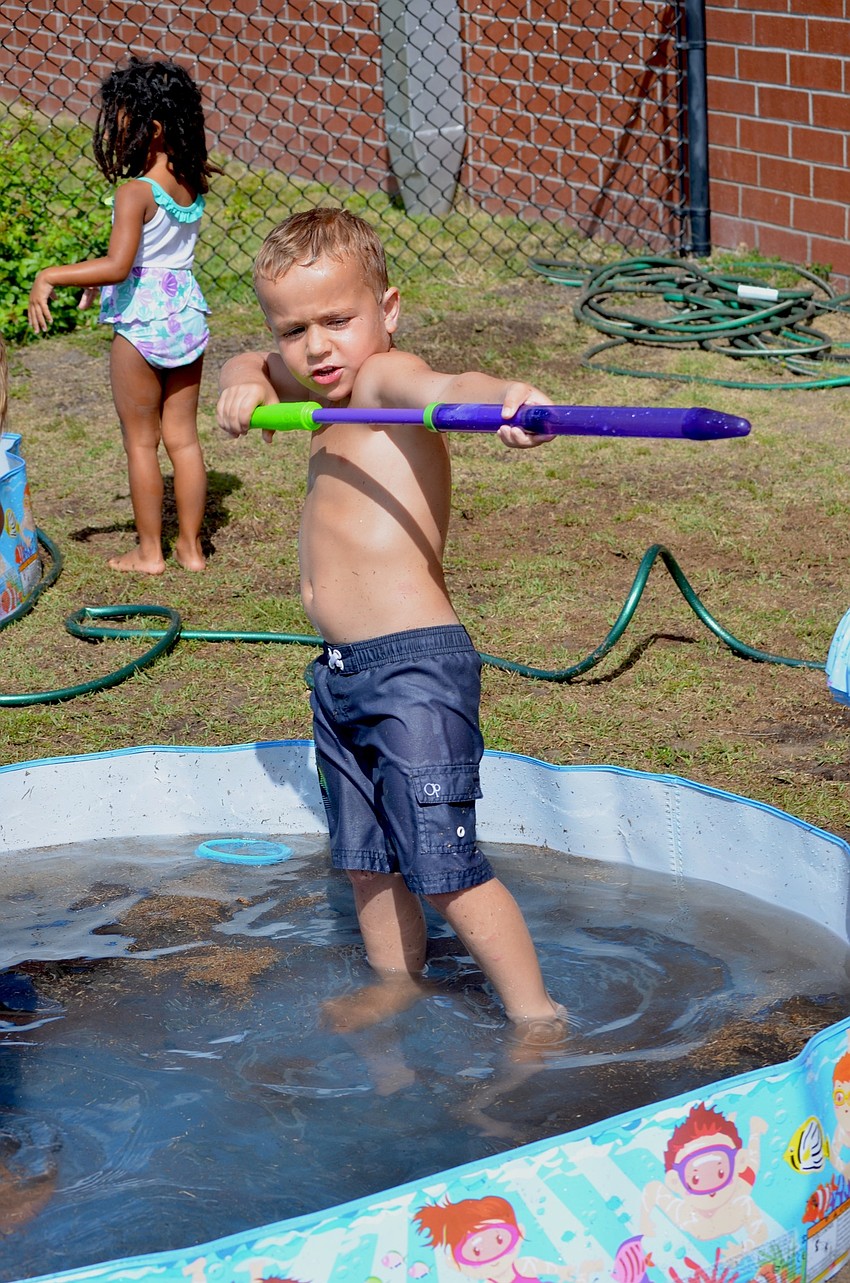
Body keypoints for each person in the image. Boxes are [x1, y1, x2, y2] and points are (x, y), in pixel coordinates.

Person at [216, 207, 566, 1037]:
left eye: (339, 319)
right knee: (367, 861)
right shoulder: (311, 381)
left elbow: (444, 391)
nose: (318, 347)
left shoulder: (380, 382)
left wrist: (506, 400)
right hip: (342, 672)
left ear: (388, 310)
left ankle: (537, 1015)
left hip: (414, 668)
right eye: (296, 328)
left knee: (443, 868)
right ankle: (396, 979)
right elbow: (251, 361)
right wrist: (248, 381)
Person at [27, 54, 216, 574]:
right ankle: (192, 549)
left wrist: (52, 276)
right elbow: (152, 258)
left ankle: (150, 552)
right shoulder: (190, 181)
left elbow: (118, 265)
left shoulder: (135, 192)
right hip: (186, 317)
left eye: (122, 119)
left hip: (141, 326)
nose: (115, 128)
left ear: (151, 128)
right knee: (184, 438)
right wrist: (99, 283)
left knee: (140, 442)